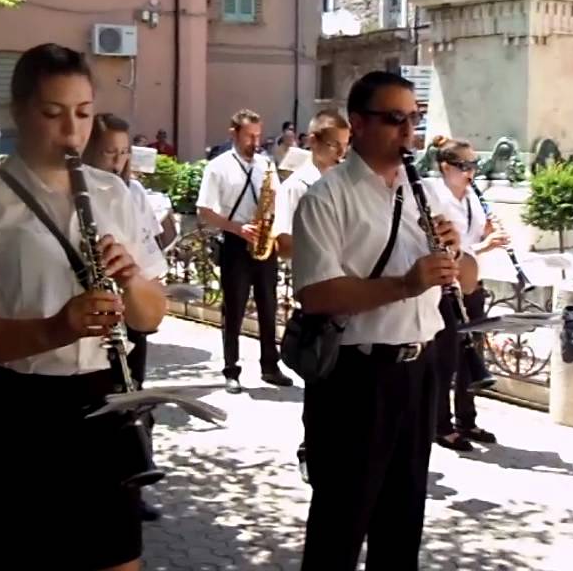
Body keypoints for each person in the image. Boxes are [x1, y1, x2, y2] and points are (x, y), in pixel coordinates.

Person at [0, 43, 168, 571]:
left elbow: (150, 316)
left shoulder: (116, 195)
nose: (71, 132)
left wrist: (130, 279)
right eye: (52, 114)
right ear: (18, 112)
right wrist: (55, 329)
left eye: (82, 114)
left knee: (117, 559)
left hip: (102, 400)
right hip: (10, 409)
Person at [294, 71, 477, 569]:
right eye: (394, 119)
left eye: (413, 119)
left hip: (420, 370)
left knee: (402, 520)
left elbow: (472, 277)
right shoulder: (327, 197)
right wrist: (405, 284)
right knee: (341, 522)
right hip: (356, 376)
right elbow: (315, 294)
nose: (408, 132)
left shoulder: (429, 194)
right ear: (358, 123)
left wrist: (455, 253)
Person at [83, 111, 169, 522]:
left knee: (135, 395)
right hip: (94, 317)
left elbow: (152, 249)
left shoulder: (130, 192)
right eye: (107, 152)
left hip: (129, 312)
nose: (115, 161)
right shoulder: (78, 190)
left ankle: (134, 482)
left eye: (121, 153)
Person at [271, 108, 351, 483]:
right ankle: (311, 449)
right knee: (319, 376)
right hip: (318, 288)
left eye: (345, 146)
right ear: (313, 141)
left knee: (343, 376)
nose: (339, 153)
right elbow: (284, 244)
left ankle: (340, 446)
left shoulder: (345, 184)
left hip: (347, 288)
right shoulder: (297, 186)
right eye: (334, 144)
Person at [197, 109, 293, 393]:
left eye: (258, 136)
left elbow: (277, 201)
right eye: (250, 136)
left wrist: (274, 223)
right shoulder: (218, 167)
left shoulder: (265, 165)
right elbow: (204, 212)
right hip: (235, 243)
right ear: (234, 134)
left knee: (268, 306)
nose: (255, 141)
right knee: (234, 309)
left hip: (265, 240)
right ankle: (231, 369)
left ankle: (270, 365)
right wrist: (238, 228)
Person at [426, 137, 510, 452]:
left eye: (475, 165)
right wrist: (482, 246)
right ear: (446, 167)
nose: (472, 171)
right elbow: (442, 244)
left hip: (472, 283)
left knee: (471, 356)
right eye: (465, 166)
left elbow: (474, 235)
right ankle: (440, 424)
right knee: (445, 356)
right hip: (446, 287)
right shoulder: (434, 196)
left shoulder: (474, 197)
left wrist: (490, 234)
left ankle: (467, 418)